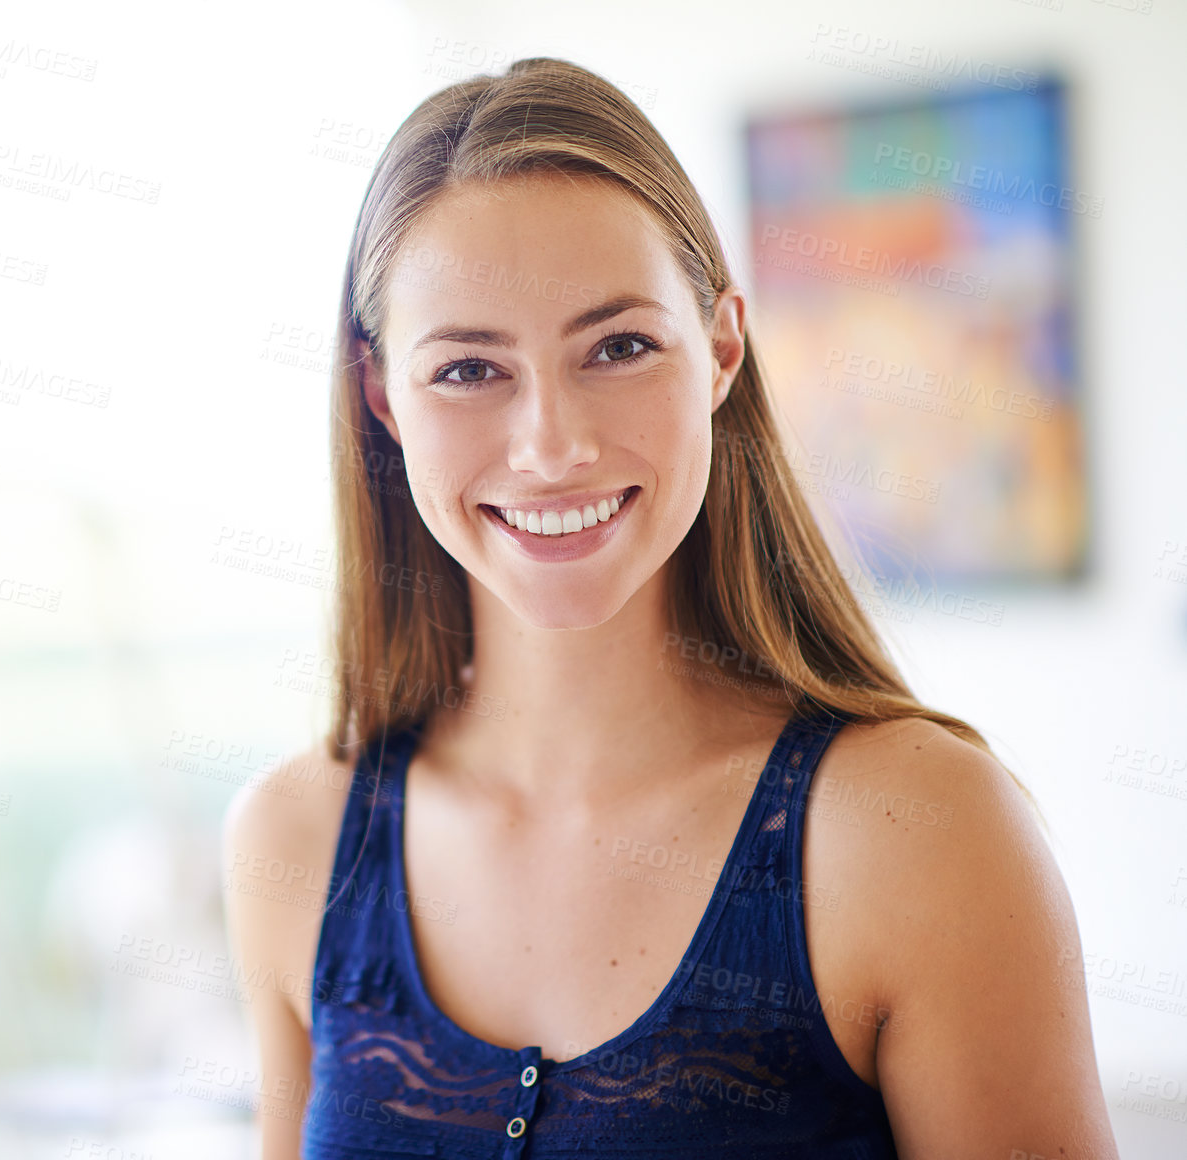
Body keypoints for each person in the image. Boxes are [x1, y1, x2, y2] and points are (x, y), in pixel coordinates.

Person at [221, 57, 1116, 1159]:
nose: (552, 445)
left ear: (723, 350)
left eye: (620, 346)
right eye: (467, 369)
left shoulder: (918, 832)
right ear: (381, 396)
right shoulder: (294, 842)